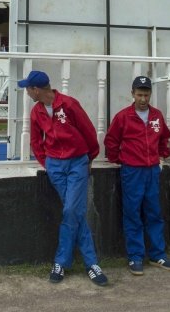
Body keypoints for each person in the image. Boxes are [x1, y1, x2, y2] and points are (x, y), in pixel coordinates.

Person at [21, 70, 108, 286]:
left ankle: (61, 261)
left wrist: (89, 158)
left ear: (36, 89)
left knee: (70, 210)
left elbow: (88, 131)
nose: (27, 92)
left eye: (28, 89)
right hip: (55, 166)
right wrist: (48, 163)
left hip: (77, 162)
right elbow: (35, 140)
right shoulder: (36, 112)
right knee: (75, 212)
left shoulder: (68, 104)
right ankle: (92, 265)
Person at [104, 76, 170, 275]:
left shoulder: (157, 115)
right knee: (133, 213)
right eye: (139, 95)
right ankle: (135, 257)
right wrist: (120, 159)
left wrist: (163, 153)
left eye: (146, 95)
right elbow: (111, 140)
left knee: (154, 212)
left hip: (152, 170)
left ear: (150, 94)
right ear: (132, 94)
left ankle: (157, 254)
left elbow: (164, 137)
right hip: (132, 171)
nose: (143, 99)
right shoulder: (123, 116)